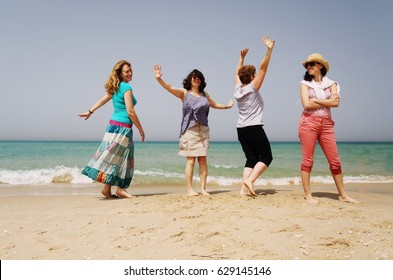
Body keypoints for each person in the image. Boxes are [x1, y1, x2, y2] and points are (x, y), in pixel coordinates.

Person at [153, 65, 234, 196]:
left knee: (203, 160)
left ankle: (203, 189)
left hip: (203, 130)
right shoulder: (184, 93)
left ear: (201, 80)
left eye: (199, 78)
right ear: (190, 79)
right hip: (189, 130)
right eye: (194, 77)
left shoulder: (205, 95)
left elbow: (214, 104)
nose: (197, 79)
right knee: (191, 160)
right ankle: (190, 189)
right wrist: (159, 79)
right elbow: (169, 88)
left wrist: (227, 106)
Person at [78, 60, 145, 199]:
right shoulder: (126, 87)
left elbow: (102, 101)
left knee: (113, 156)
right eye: (127, 71)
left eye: (131, 71)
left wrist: (90, 111)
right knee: (124, 158)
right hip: (123, 127)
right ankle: (121, 189)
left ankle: (106, 189)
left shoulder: (116, 87)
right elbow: (130, 111)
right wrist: (140, 128)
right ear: (120, 73)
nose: (130, 73)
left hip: (112, 127)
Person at [298, 53, 358, 204]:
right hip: (308, 122)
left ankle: (343, 195)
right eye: (307, 65)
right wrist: (327, 101)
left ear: (320, 65)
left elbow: (336, 104)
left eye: (311, 64)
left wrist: (317, 100)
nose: (309, 67)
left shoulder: (332, 84)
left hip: (326, 124)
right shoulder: (304, 84)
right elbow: (307, 105)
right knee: (307, 161)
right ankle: (308, 195)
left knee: (335, 161)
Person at [234, 36, 275, 197]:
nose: (257, 75)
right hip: (254, 127)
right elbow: (263, 68)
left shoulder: (237, 90)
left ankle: (244, 190)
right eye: (255, 74)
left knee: (251, 158)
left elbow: (236, 74)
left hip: (241, 129)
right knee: (266, 157)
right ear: (252, 77)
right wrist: (269, 50)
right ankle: (250, 181)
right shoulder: (252, 87)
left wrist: (241, 58)